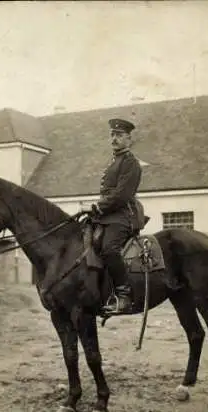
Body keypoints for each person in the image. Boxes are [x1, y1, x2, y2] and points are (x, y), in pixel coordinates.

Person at [90, 118, 145, 314]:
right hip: (107, 215)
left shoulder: (131, 163)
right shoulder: (114, 161)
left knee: (109, 249)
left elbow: (122, 195)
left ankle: (124, 296)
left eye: (119, 135)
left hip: (123, 215)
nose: (114, 138)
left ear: (129, 139)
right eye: (112, 135)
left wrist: (99, 205)